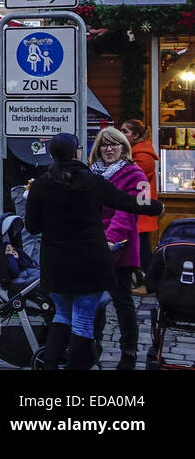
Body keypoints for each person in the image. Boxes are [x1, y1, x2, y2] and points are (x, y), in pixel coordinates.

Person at [25, 132, 163, 370]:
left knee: (61, 316)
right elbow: (128, 203)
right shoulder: (92, 181)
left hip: (55, 261)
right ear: (77, 152)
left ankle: (49, 366)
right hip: (90, 260)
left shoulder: (41, 184)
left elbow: (32, 226)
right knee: (83, 321)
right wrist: (157, 207)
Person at [88, 127, 149, 369]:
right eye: (104, 145)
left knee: (122, 301)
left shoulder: (134, 174)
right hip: (93, 245)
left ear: (124, 147)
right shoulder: (92, 173)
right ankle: (94, 344)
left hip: (119, 247)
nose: (109, 149)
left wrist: (110, 240)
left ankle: (129, 352)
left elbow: (127, 212)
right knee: (93, 300)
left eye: (114, 144)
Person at [120, 118, 158, 286]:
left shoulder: (142, 157)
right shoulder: (135, 153)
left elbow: (130, 181)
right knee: (135, 247)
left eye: (125, 131)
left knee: (142, 248)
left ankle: (149, 284)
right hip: (136, 208)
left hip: (140, 209)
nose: (121, 134)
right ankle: (140, 280)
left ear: (135, 135)